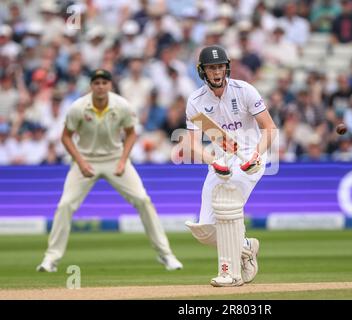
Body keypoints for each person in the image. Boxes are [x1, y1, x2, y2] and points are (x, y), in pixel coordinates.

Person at [36, 69, 182, 272]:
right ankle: (50, 259)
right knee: (65, 205)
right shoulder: (78, 107)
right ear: (91, 86)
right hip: (85, 160)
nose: (101, 86)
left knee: (143, 200)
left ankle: (166, 255)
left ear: (110, 85)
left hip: (115, 159)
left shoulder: (121, 105)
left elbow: (131, 134)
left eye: (104, 83)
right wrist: (80, 162)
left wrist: (123, 160)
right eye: (96, 83)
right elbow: (66, 137)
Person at [183, 45, 277, 287]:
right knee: (205, 229)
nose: (216, 72)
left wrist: (256, 154)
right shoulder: (195, 101)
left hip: (250, 156)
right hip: (222, 158)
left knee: (228, 204)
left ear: (227, 68)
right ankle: (246, 247)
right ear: (202, 71)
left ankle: (230, 274)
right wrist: (212, 161)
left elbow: (270, 128)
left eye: (220, 67)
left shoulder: (244, 90)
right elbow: (193, 143)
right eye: (211, 68)